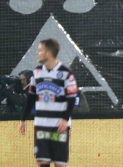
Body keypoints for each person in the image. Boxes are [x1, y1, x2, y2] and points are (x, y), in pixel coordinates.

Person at [19, 38, 79, 167]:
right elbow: (31, 97)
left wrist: (64, 118)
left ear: (49, 53)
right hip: (41, 126)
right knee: (43, 161)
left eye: (40, 50)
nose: (37, 53)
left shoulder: (66, 74)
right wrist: (23, 119)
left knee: (60, 163)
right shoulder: (37, 72)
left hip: (58, 128)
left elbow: (71, 98)